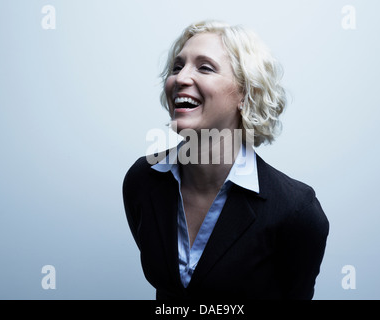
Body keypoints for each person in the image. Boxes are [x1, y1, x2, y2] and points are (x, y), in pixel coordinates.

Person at [123, 20, 329, 299]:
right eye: (176, 67)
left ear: (245, 93)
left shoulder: (296, 211)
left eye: (205, 67)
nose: (180, 78)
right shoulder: (142, 179)